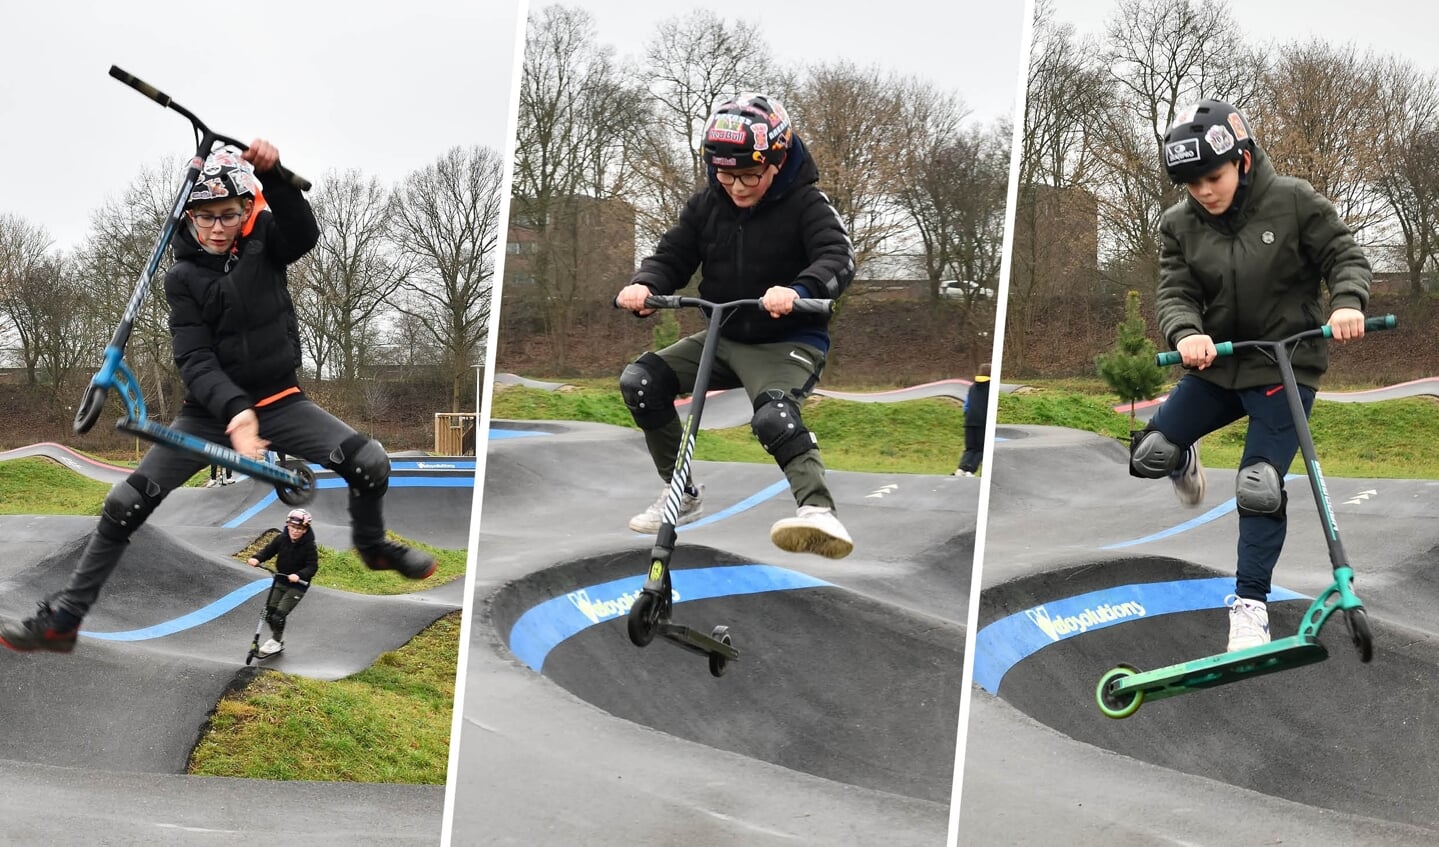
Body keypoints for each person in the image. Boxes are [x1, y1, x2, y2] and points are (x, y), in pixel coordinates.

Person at [0, 140, 436, 654]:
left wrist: (273, 176)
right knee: (123, 504)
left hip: (283, 400)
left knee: (370, 463)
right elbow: (195, 361)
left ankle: (373, 547)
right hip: (208, 413)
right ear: (189, 218)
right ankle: (65, 619)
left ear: (247, 210)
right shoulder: (181, 278)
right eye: (204, 217)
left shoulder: (266, 241)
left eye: (229, 215)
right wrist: (235, 413)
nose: (216, 228)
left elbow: (304, 232)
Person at [1129, 99, 1370, 652]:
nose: (1203, 192)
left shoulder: (1292, 200)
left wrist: (1348, 302)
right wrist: (1185, 332)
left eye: (1211, 178)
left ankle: (1249, 609)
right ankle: (1184, 454)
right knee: (1150, 455)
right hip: (1218, 367)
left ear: (1240, 159)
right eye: (1190, 185)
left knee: (1258, 487)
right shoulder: (1179, 224)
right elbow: (1176, 291)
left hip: (1283, 366)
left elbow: (1344, 255)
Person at [615, 93, 856, 559]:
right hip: (722, 336)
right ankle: (680, 492)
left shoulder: (806, 203)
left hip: (786, 340)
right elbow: (671, 256)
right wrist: (645, 285)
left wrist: (800, 291)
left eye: (749, 176)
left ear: (777, 161)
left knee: (773, 417)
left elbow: (838, 257)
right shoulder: (707, 205)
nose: (738, 188)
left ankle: (818, 512)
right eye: (727, 175)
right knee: (641, 381)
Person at [247, 508, 320, 657]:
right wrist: (257, 558)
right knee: (269, 613)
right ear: (287, 525)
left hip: (298, 586)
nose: (294, 531)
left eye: (299, 528)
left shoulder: (309, 546)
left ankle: (276, 641)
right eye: (292, 527)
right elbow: (268, 551)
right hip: (280, 581)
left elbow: (312, 566)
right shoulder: (281, 538)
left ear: (305, 530)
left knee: (279, 615)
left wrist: (299, 575)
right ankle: (277, 639)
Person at [955, 362, 991, 477]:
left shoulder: (972, 387)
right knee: (981, 449)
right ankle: (970, 470)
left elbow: (967, 404)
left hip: (970, 420)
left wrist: (967, 415)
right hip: (982, 422)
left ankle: (961, 469)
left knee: (970, 448)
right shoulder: (990, 387)